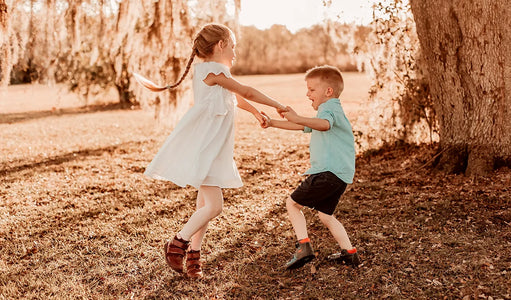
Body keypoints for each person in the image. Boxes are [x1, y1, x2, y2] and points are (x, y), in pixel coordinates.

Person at [138, 23, 287, 278]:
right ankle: (177, 244)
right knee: (215, 206)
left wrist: (254, 112)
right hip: (205, 146)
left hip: (216, 147)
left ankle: (194, 255)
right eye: (233, 47)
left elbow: (237, 97)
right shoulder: (215, 70)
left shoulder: (209, 71)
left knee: (204, 204)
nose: (235, 53)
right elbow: (246, 90)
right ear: (220, 46)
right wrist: (278, 105)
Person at [261, 65, 360, 270]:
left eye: (312, 89)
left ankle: (303, 248)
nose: (307, 94)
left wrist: (297, 117)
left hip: (327, 172)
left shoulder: (329, 108)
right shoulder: (330, 109)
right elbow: (303, 126)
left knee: (292, 204)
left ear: (328, 91)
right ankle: (349, 254)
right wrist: (273, 123)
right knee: (325, 215)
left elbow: (324, 124)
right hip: (340, 175)